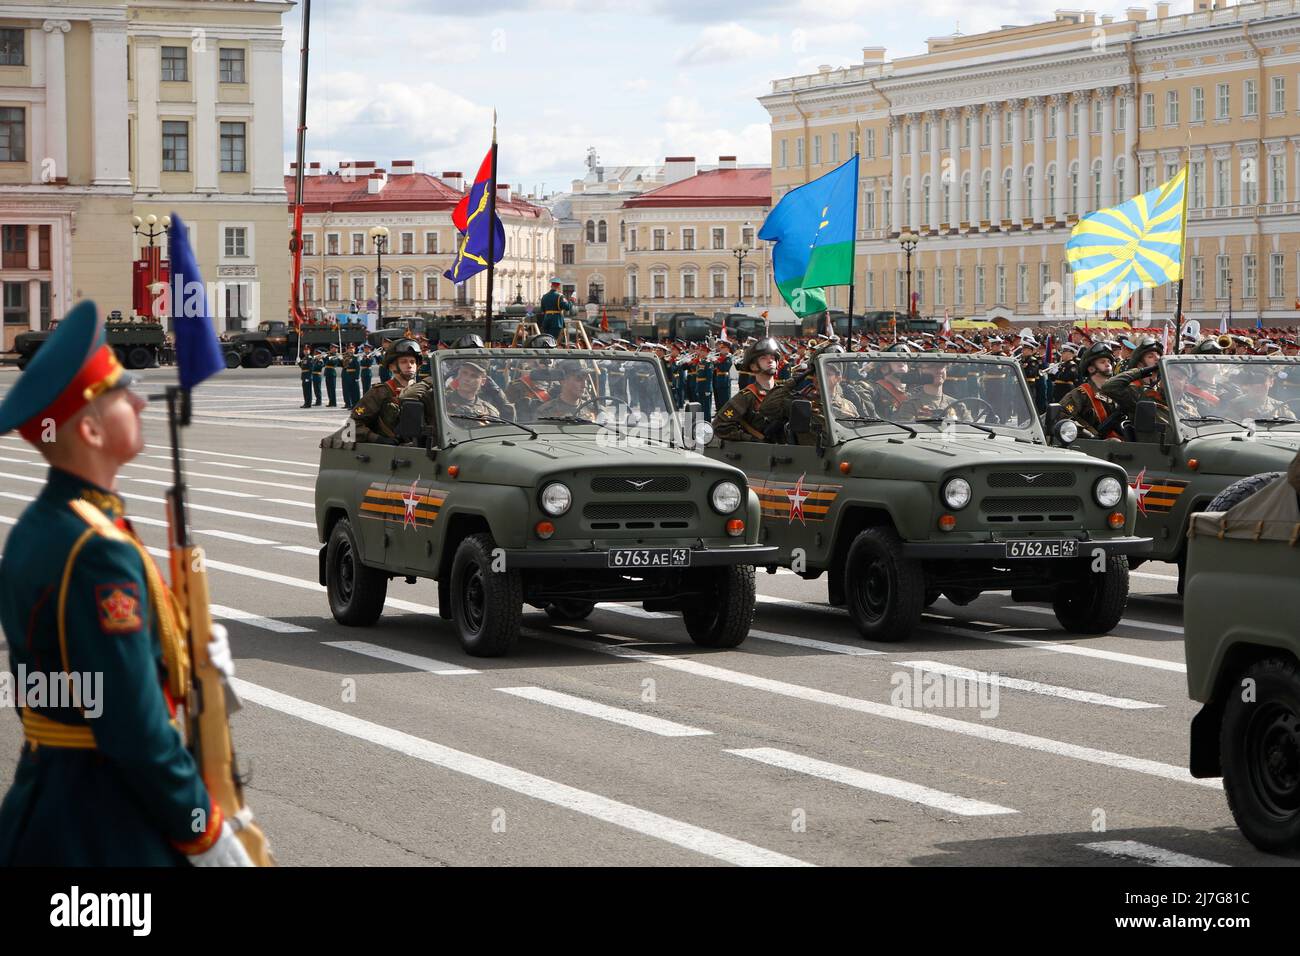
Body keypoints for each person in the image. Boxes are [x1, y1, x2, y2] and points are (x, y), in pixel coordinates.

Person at [0, 300, 249, 867]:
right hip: (103, 827)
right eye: (121, 393)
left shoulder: (44, 527)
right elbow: (133, 729)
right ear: (89, 427)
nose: (140, 400)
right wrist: (203, 829)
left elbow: (56, 682)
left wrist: (179, 651)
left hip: (51, 803)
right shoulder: (97, 551)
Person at [351, 339, 421, 444]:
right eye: (403, 362)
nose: (410, 365)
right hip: (390, 452)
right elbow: (353, 425)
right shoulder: (380, 392)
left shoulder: (423, 392)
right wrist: (378, 439)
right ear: (392, 366)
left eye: (412, 362)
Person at [712, 337, 780, 442]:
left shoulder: (783, 392)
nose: (770, 360)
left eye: (772, 356)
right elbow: (719, 426)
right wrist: (750, 439)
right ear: (753, 366)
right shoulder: (747, 396)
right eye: (763, 358)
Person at [1059, 342, 1122, 440]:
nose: (1107, 364)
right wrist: (1089, 435)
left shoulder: (1118, 393)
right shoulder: (1080, 394)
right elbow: (1062, 416)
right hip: (1092, 447)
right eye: (1102, 362)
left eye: (1109, 362)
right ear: (1091, 369)